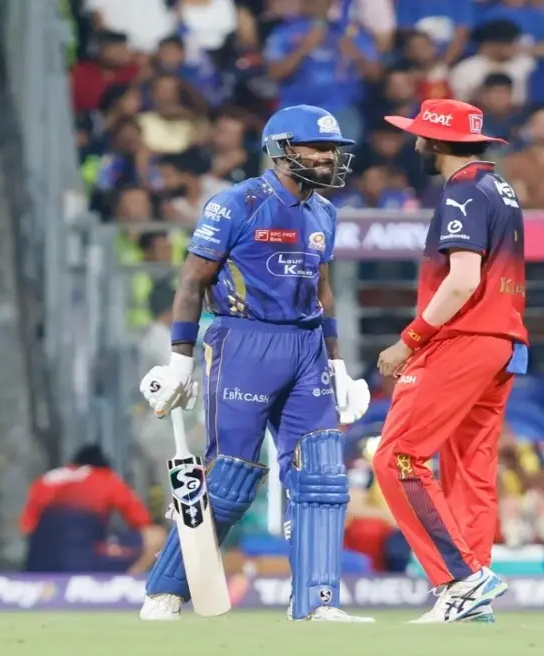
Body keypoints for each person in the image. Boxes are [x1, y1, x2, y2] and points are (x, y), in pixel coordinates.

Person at [137, 104, 373, 623]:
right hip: (243, 342)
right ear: (283, 150)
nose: (330, 159)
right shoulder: (236, 204)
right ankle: (166, 592)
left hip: (307, 347)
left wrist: (337, 367)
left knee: (322, 477)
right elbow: (192, 281)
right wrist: (180, 361)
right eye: (318, 148)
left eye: (334, 150)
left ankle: (316, 602)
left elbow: (323, 293)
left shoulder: (324, 213)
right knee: (231, 480)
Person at [372, 98, 528, 624]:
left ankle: (462, 579)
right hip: (502, 342)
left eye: (419, 134)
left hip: (461, 339)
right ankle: (470, 595)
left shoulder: (462, 190)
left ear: (436, 142)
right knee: (470, 470)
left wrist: (410, 340)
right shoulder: (500, 188)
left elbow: (463, 279)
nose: (414, 141)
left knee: (397, 458)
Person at [21, 444, 165, 574]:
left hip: (39, 564)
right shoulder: (105, 476)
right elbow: (142, 520)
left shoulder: (47, 479)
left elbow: (27, 526)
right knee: (156, 535)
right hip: (84, 563)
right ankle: (131, 582)